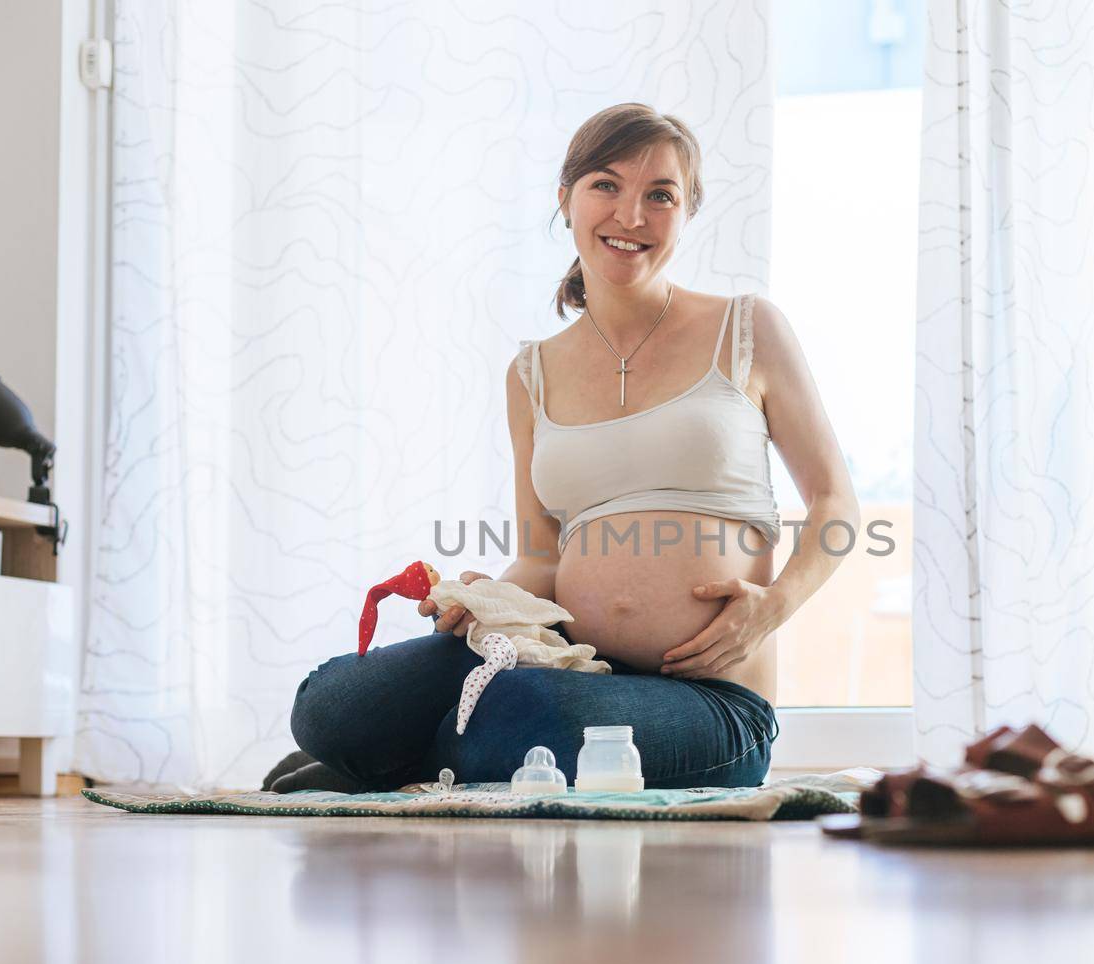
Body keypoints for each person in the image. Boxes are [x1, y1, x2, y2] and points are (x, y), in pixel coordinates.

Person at [267, 102, 858, 794]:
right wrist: (484, 600)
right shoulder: (531, 375)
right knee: (334, 701)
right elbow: (545, 556)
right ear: (566, 199)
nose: (631, 216)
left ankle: (398, 764)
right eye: (606, 185)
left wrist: (773, 604)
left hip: (710, 702)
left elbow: (834, 502)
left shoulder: (748, 329)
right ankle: (397, 753)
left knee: (522, 712)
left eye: (660, 195)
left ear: (686, 212)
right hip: (570, 661)